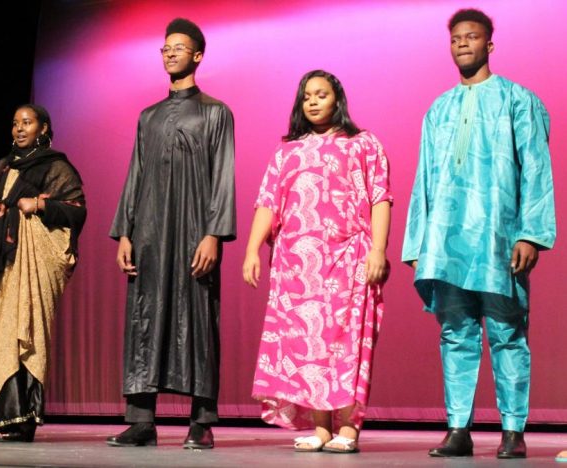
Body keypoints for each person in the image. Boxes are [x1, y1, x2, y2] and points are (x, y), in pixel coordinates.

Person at [401, 8, 555, 459]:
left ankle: (513, 430)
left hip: (498, 239)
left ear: (489, 44)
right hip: (446, 240)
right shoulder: (439, 108)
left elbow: (537, 170)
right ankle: (458, 427)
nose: (462, 44)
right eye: (455, 39)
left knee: (508, 331)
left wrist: (531, 234)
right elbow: (424, 179)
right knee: (455, 333)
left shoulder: (517, 100)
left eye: (471, 37)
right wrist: (418, 242)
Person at [243, 70, 392, 454]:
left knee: (347, 342)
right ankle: (321, 426)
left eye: (321, 94)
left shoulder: (362, 144)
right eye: (307, 95)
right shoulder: (287, 151)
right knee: (308, 343)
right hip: (296, 264)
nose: (312, 101)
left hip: (349, 256)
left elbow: (380, 197)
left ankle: (349, 426)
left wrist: (378, 249)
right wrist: (252, 249)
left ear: (336, 99)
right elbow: (268, 203)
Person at [108, 17, 235, 450]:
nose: (170, 52)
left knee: (198, 319)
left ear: (197, 55)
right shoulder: (148, 117)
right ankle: (141, 420)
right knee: (144, 317)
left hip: (195, 231)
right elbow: (135, 174)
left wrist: (214, 233)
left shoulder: (216, 112)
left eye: (179, 47)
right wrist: (125, 231)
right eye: (165, 47)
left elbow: (223, 176)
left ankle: (201, 420)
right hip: (148, 232)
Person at [0, 104, 86, 442]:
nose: (19, 129)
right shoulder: (0, 168)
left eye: (27, 123)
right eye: (15, 123)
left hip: (31, 266)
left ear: (43, 128)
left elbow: (76, 211)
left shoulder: (55, 167)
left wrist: (42, 205)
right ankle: (1, 418)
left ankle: (24, 420)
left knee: (25, 334)